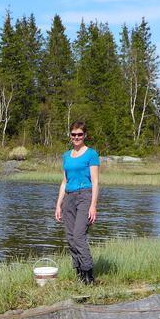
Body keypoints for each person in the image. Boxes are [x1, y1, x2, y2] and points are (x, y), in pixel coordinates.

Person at [54, 121, 99, 284]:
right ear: (70, 135)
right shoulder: (66, 155)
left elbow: (95, 181)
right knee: (71, 238)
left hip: (85, 196)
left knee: (79, 236)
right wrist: (58, 204)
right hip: (69, 198)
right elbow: (64, 181)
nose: (76, 137)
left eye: (80, 134)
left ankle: (89, 275)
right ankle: (79, 274)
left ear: (85, 135)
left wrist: (93, 205)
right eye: (74, 134)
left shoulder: (91, 154)